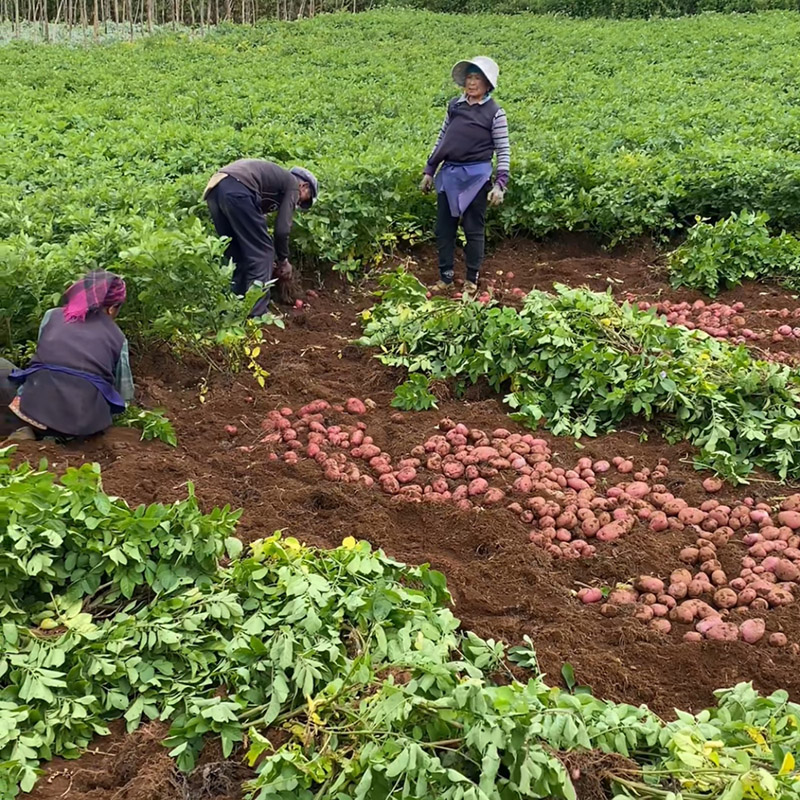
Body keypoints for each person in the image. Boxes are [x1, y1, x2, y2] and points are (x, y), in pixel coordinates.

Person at [3, 270, 134, 441]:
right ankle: (62, 437)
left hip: (34, 411)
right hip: (84, 424)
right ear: (111, 308)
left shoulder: (52, 316)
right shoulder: (117, 337)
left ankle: (35, 431)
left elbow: (44, 358)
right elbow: (125, 392)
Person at [420, 56, 510, 293]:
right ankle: (446, 277)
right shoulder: (455, 106)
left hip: (476, 177)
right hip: (449, 174)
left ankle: (471, 279)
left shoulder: (495, 113)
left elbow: (503, 149)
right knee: (444, 229)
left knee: (473, 229)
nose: (472, 83)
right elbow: (443, 138)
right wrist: (430, 169)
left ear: (488, 84)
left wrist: (500, 184)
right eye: (469, 77)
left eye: (477, 78)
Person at [203, 159, 319, 317]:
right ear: (303, 186)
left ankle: (233, 310)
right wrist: (283, 260)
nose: (298, 203)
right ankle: (257, 315)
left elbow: (257, 223)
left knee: (238, 254)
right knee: (263, 254)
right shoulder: (292, 184)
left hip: (215, 190)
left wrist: (270, 259)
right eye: (305, 198)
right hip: (238, 189)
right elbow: (282, 230)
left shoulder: (273, 184)